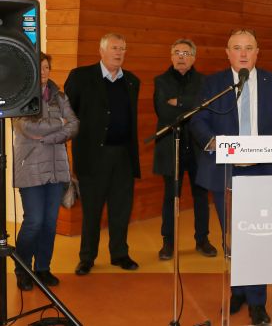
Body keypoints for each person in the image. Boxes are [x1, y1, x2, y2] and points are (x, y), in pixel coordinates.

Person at [191, 29, 272, 325]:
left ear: (257, 53)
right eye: (237, 48)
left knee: (258, 236)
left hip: (263, 169)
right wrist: (212, 141)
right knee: (233, 236)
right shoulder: (213, 83)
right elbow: (198, 118)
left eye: (249, 48)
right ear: (227, 53)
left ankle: (257, 302)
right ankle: (238, 290)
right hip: (226, 170)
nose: (243, 53)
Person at [65, 33, 141, 276]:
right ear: (102, 51)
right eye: (114, 48)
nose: (119, 53)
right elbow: (70, 115)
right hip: (92, 157)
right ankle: (87, 257)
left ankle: (120, 254)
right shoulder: (80, 77)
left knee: (121, 209)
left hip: (123, 157)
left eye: (123, 48)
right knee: (92, 211)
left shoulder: (131, 81)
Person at [12, 53, 79, 291]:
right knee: (34, 222)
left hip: (57, 170)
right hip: (29, 169)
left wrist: (50, 135)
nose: (44, 72)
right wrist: (59, 124)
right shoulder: (18, 97)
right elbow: (29, 127)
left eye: (47, 67)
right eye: (39, 68)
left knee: (50, 223)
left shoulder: (59, 96)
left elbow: (74, 125)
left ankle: (42, 268)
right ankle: (22, 269)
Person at [153, 39, 216, 260]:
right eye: (177, 52)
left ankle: (203, 240)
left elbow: (204, 109)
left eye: (186, 53)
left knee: (201, 197)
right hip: (171, 147)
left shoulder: (203, 81)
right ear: (171, 56)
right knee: (171, 197)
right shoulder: (160, 81)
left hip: (198, 148)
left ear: (194, 58)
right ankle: (168, 243)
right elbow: (164, 113)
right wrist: (191, 104)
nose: (181, 57)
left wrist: (178, 101)